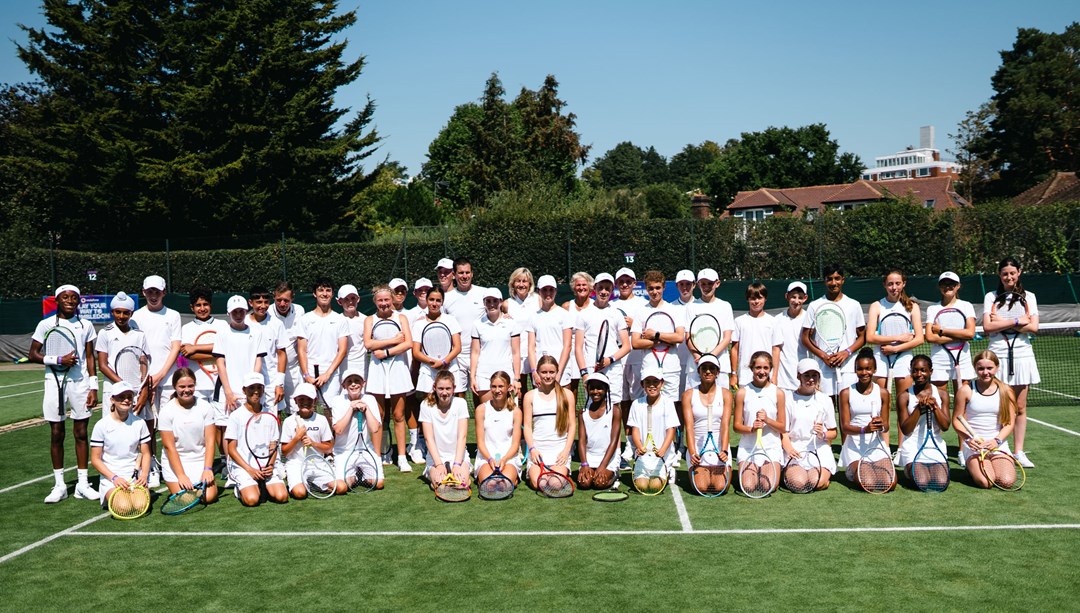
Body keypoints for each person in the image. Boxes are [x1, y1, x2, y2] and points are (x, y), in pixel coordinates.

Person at [29, 284, 99, 503]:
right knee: (57, 433)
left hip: (80, 383)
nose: (70, 300)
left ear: (78, 301)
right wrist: (58, 360)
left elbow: (90, 357)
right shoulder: (45, 324)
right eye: (65, 297)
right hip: (53, 382)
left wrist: (93, 385)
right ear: (57, 300)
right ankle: (59, 485)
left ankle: (83, 484)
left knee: (81, 432)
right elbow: (33, 354)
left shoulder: (86, 324)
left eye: (74, 298)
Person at [982, 257, 1038, 468]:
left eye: (1012, 273)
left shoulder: (1029, 297)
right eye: (1005, 273)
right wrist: (1017, 321)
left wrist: (1001, 323)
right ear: (1000, 275)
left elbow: (1033, 328)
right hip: (997, 355)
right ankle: (997, 447)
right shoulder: (991, 296)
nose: (1009, 277)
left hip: (1023, 354)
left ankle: (1019, 452)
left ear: (1019, 272)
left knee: (1020, 406)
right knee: (999, 405)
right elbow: (988, 327)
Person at [865, 269, 923, 460]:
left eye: (897, 283)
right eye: (890, 283)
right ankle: (882, 447)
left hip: (903, 359)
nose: (894, 287)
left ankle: (902, 449)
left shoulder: (912, 307)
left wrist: (897, 349)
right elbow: (870, 336)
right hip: (881, 358)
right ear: (884, 285)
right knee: (881, 403)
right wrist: (896, 340)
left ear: (903, 284)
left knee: (903, 404)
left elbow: (919, 339)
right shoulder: (876, 306)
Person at [130, 274, 182, 486]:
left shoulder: (174, 315)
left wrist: (160, 374)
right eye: (149, 291)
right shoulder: (136, 317)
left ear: (164, 293)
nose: (153, 295)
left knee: (172, 424)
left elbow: (175, 346)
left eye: (157, 292)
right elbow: (135, 349)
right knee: (146, 426)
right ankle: (149, 465)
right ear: (143, 293)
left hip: (168, 379)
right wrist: (146, 378)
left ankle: (173, 464)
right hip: (144, 381)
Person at [801, 264, 866, 420]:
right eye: (829, 279)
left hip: (848, 367)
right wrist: (823, 356)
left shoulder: (854, 305)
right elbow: (805, 337)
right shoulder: (814, 305)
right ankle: (826, 445)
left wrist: (846, 352)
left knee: (848, 413)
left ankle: (846, 445)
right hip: (823, 368)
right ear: (825, 281)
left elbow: (863, 337)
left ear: (843, 280)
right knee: (825, 413)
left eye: (837, 278)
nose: (833, 282)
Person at [364, 284, 414, 471]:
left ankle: (401, 457)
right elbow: (368, 344)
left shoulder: (401, 318)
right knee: (379, 415)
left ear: (392, 299)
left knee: (399, 415)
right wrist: (393, 341)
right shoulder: (370, 319)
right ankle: (379, 455)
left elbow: (408, 343)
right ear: (375, 302)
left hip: (398, 370)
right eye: (380, 300)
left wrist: (385, 352)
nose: (384, 304)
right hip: (377, 371)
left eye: (387, 300)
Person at [954, 350, 1020, 489]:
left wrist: (996, 441)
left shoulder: (1006, 390)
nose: (985, 372)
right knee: (986, 482)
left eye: (989, 368)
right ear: (975, 368)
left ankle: (992, 464)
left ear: (997, 367)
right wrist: (968, 440)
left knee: (1006, 481)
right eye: (981, 368)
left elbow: (1009, 423)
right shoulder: (966, 390)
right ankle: (971, 468)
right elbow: (956, 421)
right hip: (974, 446)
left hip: (998, 444)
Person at [224, 373, 288, 506]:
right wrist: (249, 469)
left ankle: (262, 484)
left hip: (266, 467)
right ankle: (240, 487)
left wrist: (270, 465)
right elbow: (231, 449)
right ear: (244, 390)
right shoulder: (236, 416)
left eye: (259, 387)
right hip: (244, 467)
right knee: (252, 500)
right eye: (251, 388)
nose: (256, 391)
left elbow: (273, 445)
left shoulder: (270, 415)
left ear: (264, 389)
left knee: (282, 497)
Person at [158, 368, 219, 504]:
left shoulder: (205, 407)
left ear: (195, 385)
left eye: (190, 386)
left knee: (208, 497)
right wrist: (181, 475)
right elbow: (169, 447)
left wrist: (207, 469)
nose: (186, 390)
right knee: (187, 500)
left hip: (199, 460)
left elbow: (210, 442)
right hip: (176, 463)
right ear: (175, 387)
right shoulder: (166, 411)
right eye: (182, 386)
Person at [90, 381, 151, 509]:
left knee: (140, 505)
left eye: (129, 397)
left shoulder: (140, 423)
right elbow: (95, 459)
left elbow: (145, 453)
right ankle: (110, 495)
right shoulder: (101, 425)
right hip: (111, 479)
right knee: (124, 507)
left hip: (135, 477)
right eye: (121, 397)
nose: (126, 400)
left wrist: (144, 475)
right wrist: (114, 478)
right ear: (112, 399)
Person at [838, 349, 893, 490]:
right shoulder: (845, 393)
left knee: (889, 483)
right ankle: (853, 470)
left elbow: (886, 426)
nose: (864, 373)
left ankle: (868, 468)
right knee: (868, 483)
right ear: (855, 370)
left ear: (874, 369)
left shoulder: (883, 393)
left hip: (876, 445)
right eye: (860, 369)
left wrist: (880, 425)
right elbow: (844, 427)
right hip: (854, 447)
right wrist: (865, 429)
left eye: (868, 369)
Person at [780, 359, 837, 492]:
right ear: (798, 376)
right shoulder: (788, 400)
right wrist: (789, 449)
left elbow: (833, 433)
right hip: (796, 450)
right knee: (799, 484)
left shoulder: (825, 400)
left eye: (814, 375)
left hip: (820, 449)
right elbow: (783, 432)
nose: (811, 379)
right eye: (807, 375)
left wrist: (822, 434)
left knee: (816, 483)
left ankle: (823, 479)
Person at [733, 352, 785, 494]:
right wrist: (751, 429)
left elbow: (782, 426)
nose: (762, 372)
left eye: (765, 368)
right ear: (752, 368)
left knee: (768, 486)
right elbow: (736, 426)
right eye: (758, 368)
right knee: (749, 487)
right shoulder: (742, 393)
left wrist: (767, 420)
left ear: (770, 369)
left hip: (771, 448)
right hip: (748, 448)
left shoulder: (778, 393)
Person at [574, 272, 631, 401]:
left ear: (612, 290)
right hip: (591, 368)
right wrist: (584, 373)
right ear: (594, 289)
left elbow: (627, 346)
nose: (604, 292)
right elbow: (578, 347)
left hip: (613, 368)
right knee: (592, 408)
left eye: (607, 288)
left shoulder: (616, 314)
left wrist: (609, 360)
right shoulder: (583, 314)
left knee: (614, 406)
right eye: (601, 288)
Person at [630, 270, 685, 403]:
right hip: (649, 367)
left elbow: (679, 337)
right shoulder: (641, 312)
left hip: (671, 368)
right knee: (651, 405)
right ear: (646, 289)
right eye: (651, 288)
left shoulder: (674, 310)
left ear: (664, 287)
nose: (654, 292)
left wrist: (655, 335)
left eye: (658, 288)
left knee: (671, 407)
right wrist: (663, 341)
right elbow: (636, 343)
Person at [523, 355, 576, 490]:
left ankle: (559, 473)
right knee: (540, 483)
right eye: (544, 372)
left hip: (559, 451)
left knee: (554, 484)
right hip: (538, 452)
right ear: (538, 373)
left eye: (551, 372)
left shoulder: (567, 394)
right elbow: (527, 426)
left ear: (557, 372)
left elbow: (572, 425)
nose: (547, 376)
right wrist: (532, 449)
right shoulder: (529, 396)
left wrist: (566, 451)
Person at [682, 356, 733, 494]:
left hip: (719, 447)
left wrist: (724, 451)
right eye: (704, 368)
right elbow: (689, 427)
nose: (708, 371)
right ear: (699, 371)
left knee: (720, 487)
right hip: (698, 449)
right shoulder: (688, 395)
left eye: (712, 368)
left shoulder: (726, 394)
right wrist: (693, 453)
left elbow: (725, 425)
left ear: (717, 372)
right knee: (702, 487)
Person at [897, 355, 950, 487]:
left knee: (941, 482)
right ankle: (909, 468)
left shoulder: (942, 394)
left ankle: (923, 468)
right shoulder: (903, 396)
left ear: (930, 371)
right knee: (923, 481)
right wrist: (918, 409)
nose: (919, 374)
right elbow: (906, 430)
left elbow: (945, 426)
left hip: (935, 444)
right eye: (915, 370)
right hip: (912, 446)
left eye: (923, 370)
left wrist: (935, 406)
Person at [329, 368, 384, 492]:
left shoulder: (370, 399)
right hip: (343, 451)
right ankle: (354, 474)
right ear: (344, 385)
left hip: (366, 450)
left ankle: (361, 474)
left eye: (357, 381)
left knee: (379, 483)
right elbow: (338, 430)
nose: (353, 384)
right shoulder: (337, 401)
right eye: (349, 382)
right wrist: (351, 408)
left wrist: (366, 409)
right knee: (346, 484)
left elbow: (375, 428)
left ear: (363, 383)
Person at [924, 271, 977, 399]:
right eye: (944, 284)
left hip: (962, 358)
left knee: (964, 400)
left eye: (951, 284)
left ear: (958, 286)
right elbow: (930, 337)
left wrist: (942, 331)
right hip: (939, 359)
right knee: (939, 400)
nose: (947, 287)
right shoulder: (932, 309)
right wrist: (960, 335)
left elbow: (970, 333)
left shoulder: (966, 306)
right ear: (939, 287)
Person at [442, 257, 487, 407]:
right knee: (458, 400)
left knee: (479, 396)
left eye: (467, 272)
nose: (464, 276)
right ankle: (459, 431)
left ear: (472, 274)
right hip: (457, 357)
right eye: (461, 273)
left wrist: (505, 312)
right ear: (454, 275)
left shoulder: (483, 294)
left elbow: (498, 310)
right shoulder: (446, 298)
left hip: (480, 355)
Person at [95, 291, 150, 412]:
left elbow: (143, 362)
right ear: (112, 312)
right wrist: (124, 385)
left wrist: (143, 388)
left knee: (135, 428)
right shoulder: (105, 333)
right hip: (113, 389)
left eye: (126, 313)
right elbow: (103, 366)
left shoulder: (139, 335)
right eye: (118, 312)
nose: (121, 316)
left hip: (136, 390)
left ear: (131, 313)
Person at [279, 383, 335, 499]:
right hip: (296, 464)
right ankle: (298, 484)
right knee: (300, 493)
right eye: (301, 399)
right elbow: (284, 452)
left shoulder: (321, 420)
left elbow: (329, 447)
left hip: (317, 464)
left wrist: (313, 443)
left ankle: (313, 484)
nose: (305, 402)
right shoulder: (289, 422)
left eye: (309, 399)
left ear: (315, 400)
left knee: (340, 487)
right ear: (295, 400)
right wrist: (297, 438)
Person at [212, 295, 266, 415]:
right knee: (226, 430)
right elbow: (220, 364)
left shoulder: (256, 333)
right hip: (227, 392)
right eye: (234, 312)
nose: (238, 315)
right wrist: (228, 392)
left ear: (246, 311)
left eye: (241, 311)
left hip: (249, 392)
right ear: (228, 313)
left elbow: (258, 362)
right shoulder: (222, 333)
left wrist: (251, 388)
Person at [299, 277, 349, 405]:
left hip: (331, 376)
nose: (324, 294)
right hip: (309, 376)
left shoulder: (340, 320)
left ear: (332, 294)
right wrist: (306, 375)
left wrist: (327, 374)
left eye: (328, 290)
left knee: (330, 413)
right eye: (321, 290)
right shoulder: (305, 319)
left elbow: (342, 350)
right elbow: (302, 350)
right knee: (308, 412)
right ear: (315, 293)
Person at [419, 369, 472, 489]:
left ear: (454, 388)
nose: (444, 392)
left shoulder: (461, 403)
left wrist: (457, 464)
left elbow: (462, 437)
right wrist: (438, 464)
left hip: (459, 457)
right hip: (435, 458)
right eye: (441, 388)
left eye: (448, 388)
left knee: (461, 485)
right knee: (441, 486)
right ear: (434, 387)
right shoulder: (425, 405)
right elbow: (428, 438)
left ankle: (464, 475)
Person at [628, 368, 680, 487]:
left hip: (663, 455)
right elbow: (635, 430)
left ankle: (669, 470)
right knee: (642, 485)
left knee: (655, 485)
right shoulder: (636, 404)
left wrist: (663, 449)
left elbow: (671, 430)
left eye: (655, 382)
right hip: (643, 457)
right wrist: (639, 447)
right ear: (642, 384)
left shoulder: (668, 403)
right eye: (648, 382)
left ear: (662, 383)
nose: (652, 386)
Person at [470, 287, 522, 404]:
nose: (492, 304)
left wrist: (516, 378)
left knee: (510, 415)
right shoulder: (477, 324)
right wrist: (473, 377)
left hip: (507, 374)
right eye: (488, 301)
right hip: (483, 376)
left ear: (501, 302)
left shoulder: (511, 323)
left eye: (495, 301)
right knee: (487, 415)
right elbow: (475, 352)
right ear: (484, 303)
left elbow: (516, 353)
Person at [474, 371, 523, 488]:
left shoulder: (516, 412)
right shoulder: (481, 409)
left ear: (509, 388)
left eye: (501, 386)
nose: (497, 390)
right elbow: (480, 443)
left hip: (509, 459)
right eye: (494, 386)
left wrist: (504, 459)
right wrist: (490, 459)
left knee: (503, 485)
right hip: (486, 458)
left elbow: (515, 444)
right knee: (490, 485)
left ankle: (513, 479)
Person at [730, 282, 783, 388]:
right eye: (753, 298)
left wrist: (774, 375)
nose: (756, 302)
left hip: (766, 376)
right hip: (745, 376)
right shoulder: (739, 321)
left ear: (765, 299)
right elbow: (734, 349)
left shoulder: (773, 322)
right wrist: (734, 374)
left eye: (760, 298)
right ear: (747, 299)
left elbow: (776, 350)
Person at [575, 373, 622, 490]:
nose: (595, 391)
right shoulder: (582, 413)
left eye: (599, 388)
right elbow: (581, 441)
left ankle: (615, 474)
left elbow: (614, 442)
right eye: (592, 388)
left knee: (600, 483)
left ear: (606, 390)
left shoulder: (615, 411)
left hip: (609, 457)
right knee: (584, 483)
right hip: (590, 456)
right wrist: (584, 464)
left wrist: (603, 466)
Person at [527, 275, 573, 387]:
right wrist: (534, 372)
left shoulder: (565, 315)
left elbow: (567, 346)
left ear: (556, 291)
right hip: (540, 373)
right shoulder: (533, 317)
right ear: (538, 291)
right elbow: (531, 348)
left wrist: (559, 373)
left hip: (562, 372)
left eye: (551, 290)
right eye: (544, 290)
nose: (548, 293)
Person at [247, 286, 287, 413]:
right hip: (249, 382)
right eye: (258, 302)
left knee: (273, 422)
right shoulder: (243, 323)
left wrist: (279, 384)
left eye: (266, 302)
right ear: (250, 303)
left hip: (271, 384)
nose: (262, 306)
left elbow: (281, 354)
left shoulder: (277, 324)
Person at [271, 281, 307, 404]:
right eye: (278, 300)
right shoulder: (268, 314)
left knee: (296, 407)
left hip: (295, 369)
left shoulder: (300, 311)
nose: (282, 304)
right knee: (275, 406)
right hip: (274, 370)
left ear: (292, 298)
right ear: (274, 297)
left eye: (286, 300)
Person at [561, 271, 594, 407]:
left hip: (590, 353)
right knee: (572, 391)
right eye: (578, 285)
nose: (581, 288)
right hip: (571, 354)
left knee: (591, 387)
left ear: (590, 287)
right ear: (574, 288)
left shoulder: (595, 305)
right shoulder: (566, 307)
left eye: (584, 285)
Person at [504, 267, 539, 393]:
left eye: (524, 281)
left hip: (535, 353)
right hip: (517, 354)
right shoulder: (507, 304)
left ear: (530, 283)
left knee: (539, 388)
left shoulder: (538, 300)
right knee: (520, 391)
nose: (521, 284)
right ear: (513, 283)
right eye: (518, 281)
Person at [775, 282, 810, 392]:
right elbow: (776, 349)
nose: (796, 301)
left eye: (800, 298)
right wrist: (774, 376)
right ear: (787, 296)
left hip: (805, 377)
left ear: (805, 298)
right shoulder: (778, 319)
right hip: (783, 380)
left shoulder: (809, 318)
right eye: (793, 297)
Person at [670, 269, 697, 402]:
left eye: (688, 284)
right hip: (676, 362)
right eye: (681, 284)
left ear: (694, 285)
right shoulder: (670, 307)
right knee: (678, 401)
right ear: (677, 286)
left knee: (694, 401)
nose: (685, 287)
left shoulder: (700, 306)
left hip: (695, 362)